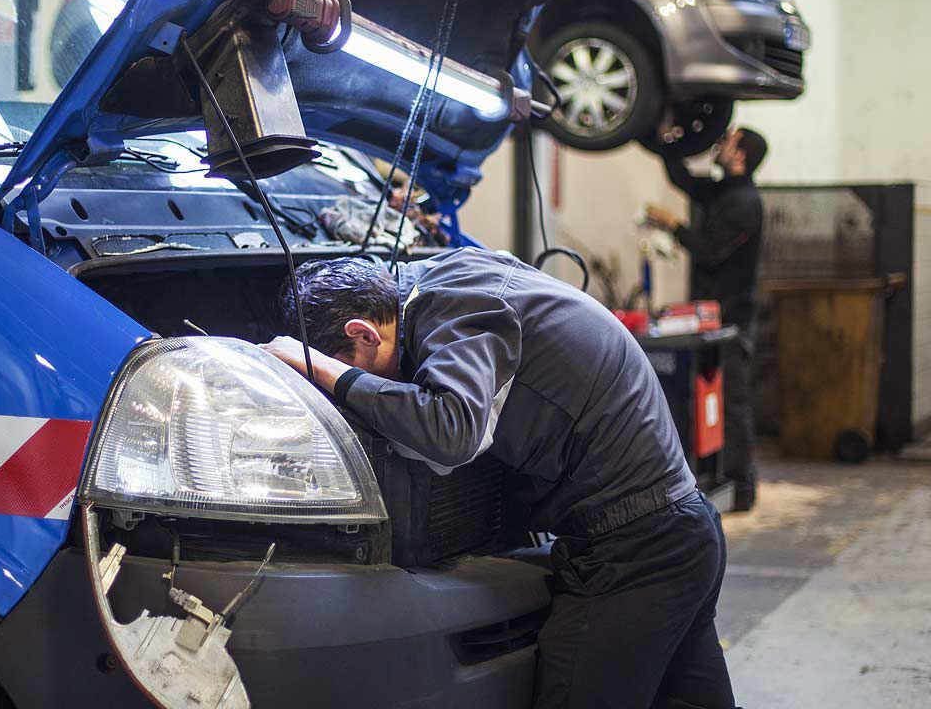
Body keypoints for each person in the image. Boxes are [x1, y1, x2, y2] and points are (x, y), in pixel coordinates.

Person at [260, 249, 735, 709]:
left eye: (352, 361)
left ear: (363, 333)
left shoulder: (449, 307)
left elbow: (452, 431)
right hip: (678, 528)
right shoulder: (447, 277)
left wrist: (328, 372)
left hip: (637, 551)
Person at [646, 127, 767, 512]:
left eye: (728, 140)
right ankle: (713, 477)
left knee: (732, 402)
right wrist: (664, 136)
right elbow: (682, 178)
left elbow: (710, 251)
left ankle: (742, 485)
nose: (721, 141)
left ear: (740, 155)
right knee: (709, 401)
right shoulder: (724, 192)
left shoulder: (745, 202)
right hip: (712, 321)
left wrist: (672, 224)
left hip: (732, 321)